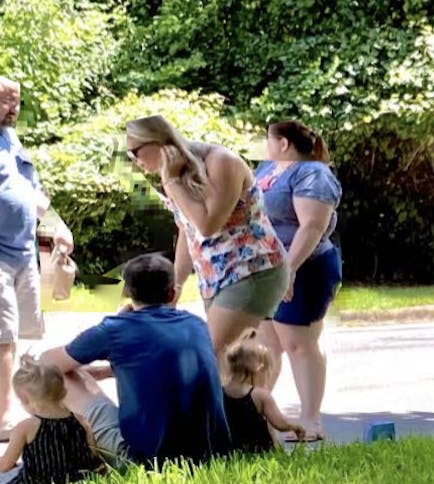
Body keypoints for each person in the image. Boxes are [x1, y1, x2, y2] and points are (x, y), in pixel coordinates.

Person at [39, 253, 231, 467]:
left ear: (128, 293)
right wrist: (107, 371)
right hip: (213, 454)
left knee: (60, 376)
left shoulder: (115, 329)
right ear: (172, 293)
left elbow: (47, 362)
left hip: (145, 461)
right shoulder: (197, 324)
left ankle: (59, 444)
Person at [124, 116, 288, 354]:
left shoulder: (222, 162)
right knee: (234, 365)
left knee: (209, 355)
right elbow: (187, 230)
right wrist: (176, 285)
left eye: (135, 152)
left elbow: (208, 226)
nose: (135, 161)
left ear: (157, 141)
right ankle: (252, 393)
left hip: (253, 269)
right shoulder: (175, 172)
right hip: (216, 278)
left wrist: (170, 182)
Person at [251, 121, 341, 442]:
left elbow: (312, 227)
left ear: (284, 143)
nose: (266, 145)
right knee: (267, 345)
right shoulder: (268, 168)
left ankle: (311, 420)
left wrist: (288, 270)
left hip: (306, 267)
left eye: (269, 139)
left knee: (298, 344)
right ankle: (256, 418)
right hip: (266, 268)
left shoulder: (312, 175)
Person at [0, 79, 73, 433]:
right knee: (3, 335)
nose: (12, 108)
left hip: (23, 253)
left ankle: (23, 405)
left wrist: (58, 225)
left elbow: (30, 190)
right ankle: (2, 418)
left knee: (24, 334)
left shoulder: (11, 137)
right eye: (4, 101)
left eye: (15, 102)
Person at [0, 357, 104, 483]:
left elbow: (5, 465)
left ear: (25, 399)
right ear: (63, 391)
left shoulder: (25, 427)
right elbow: (94, 456)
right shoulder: (81, 421)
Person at [220, 339, 305, 454]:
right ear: (259, 370)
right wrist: (294, 427)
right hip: (259, 449)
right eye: (267, 373)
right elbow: (279, 423)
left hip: (229, 450)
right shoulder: (260, 395)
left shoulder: (220, 392)